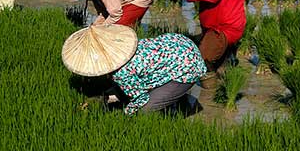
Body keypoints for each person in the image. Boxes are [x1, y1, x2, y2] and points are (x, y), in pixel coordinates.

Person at [61, 24, 206, 115]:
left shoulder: (121, 73)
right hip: (180, 44)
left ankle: (177, 100)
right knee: (134, 88)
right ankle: (174, 99)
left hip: (188, 66)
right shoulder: (125, 49)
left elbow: (140, 98)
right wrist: (107, 98)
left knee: (144, 111)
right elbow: (133, 84)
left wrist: (127, 114)